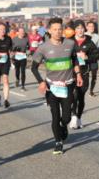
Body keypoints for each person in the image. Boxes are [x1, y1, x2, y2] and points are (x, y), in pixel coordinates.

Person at [30, 17, 83, 154]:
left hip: (68, 85)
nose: (58, 32)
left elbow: (75, 59)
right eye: (55, 29)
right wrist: (41, 82)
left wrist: (78, 74)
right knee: (55, 115)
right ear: (49, 31)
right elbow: (34, 68)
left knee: (65, 117)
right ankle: (58, 142)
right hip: (51, 87)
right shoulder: (43, 48)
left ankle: (63, 125)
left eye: (60, 29)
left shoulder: (70, 44)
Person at [70, 20, 98, 128]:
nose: (80, 30)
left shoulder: (89, 42)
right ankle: (73, 117)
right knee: (74, 95)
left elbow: (95, 56)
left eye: (81, 28)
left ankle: (79, 118)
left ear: (84, 29)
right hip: (71, 72)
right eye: (77, 28)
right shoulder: (70, 41)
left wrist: (87, 57)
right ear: (74, 30)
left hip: (84, 72)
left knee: (81, 96)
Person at [11, 26, 29, 90]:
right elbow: (11, 49)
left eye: (23, 32)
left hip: (23, 57)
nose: (22, 33)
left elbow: (29, 48)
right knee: (17, 70)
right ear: (17, 32)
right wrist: (13, 52)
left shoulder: (26, 39)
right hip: (16, 57)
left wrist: (27, 52)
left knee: (23, 71)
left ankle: (23, 86)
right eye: (21, 32)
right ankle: (17, 79)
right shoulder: (14, 39)